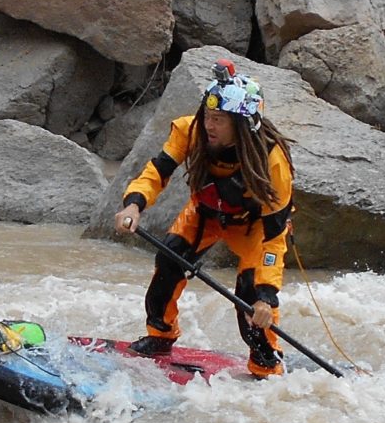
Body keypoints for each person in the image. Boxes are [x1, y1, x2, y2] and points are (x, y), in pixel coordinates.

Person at [114, 59, 295, 378]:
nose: (210, 125)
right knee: (169, 260)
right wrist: (134, 205)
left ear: (242, 125)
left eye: (220, 120)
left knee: (251, 299)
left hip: (256, 228)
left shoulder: (272, 160)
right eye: (208, 116)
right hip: (205, 214)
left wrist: (267, 296)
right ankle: (161, 336)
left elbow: (274, 238)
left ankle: (266, 365)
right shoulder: (190, 131)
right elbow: (157, 172)